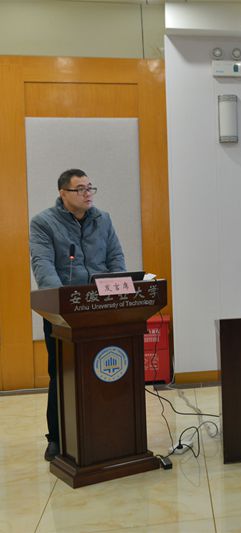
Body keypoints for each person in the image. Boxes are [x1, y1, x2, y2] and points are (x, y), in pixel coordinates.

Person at [29, 168, 126, 461]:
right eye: (80, 189)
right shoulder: (43, 223)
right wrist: (65, 306)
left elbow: (115, 258)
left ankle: (108, 430)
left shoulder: (103, 219)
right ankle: (57, 438)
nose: (87, 194)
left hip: (102, 309)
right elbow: (44, 267)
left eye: (90, 188)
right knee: (62, 374)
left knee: (106, 370)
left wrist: (119, 294)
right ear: (63, 193)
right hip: (63, 314)